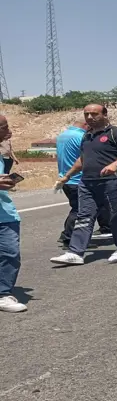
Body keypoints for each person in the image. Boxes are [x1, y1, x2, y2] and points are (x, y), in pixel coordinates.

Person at [51, 104, 117, 266]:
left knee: (116, 215)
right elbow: (82, 160)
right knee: (83, 216)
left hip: (113, 182)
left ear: (104, 114)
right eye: (86, 114)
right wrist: (67, 176)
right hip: (87, 183)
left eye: (94, 114)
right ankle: (75, 252)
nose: (89, 117)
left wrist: (115, 165)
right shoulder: (86, 136)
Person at [55, 120, 113, 248]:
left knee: (87, 207)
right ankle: (68, 238)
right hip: (79, 179)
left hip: (66, 178)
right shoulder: (82, 137)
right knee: (80, 210)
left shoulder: (63, 135)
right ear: (86, 125)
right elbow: (88, 156)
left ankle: (105, 227)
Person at [0, 116, 25, 313]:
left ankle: (3, 293)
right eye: (5, 126)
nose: (9, 130)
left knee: (10, 253)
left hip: (4, 213)